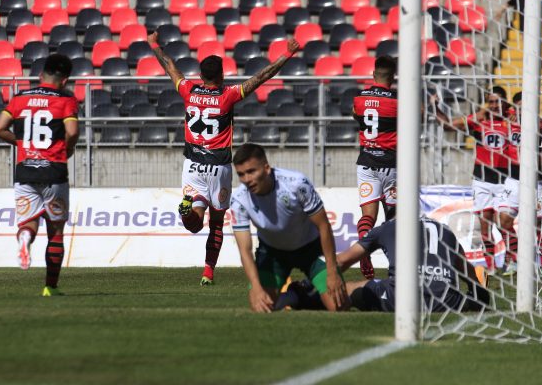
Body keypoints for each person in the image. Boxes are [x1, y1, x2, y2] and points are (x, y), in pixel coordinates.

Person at [148, 32, 300, 286]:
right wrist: (287, 53)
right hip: (218, 167)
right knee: (216, 223)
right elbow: (262, 77)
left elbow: (170, 66)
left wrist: (154, 44)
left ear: (200, 75)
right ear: (220, 76)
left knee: (194, 224)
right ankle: (208, 272)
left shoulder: (188, 90)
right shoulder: (227, 96)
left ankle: (187, 211)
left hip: (192, 166)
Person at [0, 54, 79, 296]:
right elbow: (72, 131)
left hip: (25, 171)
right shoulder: (65, 99)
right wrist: (67, 148)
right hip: (54, 170)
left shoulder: (20, 98)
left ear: (41, 76)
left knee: (28, 223)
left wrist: (21, 143)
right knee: (56, 231)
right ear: (64, 80)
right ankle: (50, 287)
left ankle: (24, 241)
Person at [230, 143, 348, 312]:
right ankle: (294, 295)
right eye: (241, 174)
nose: (247, 179)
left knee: (339, 306)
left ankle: (305, 296)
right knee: (261, 307)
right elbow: (245, 250)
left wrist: (332, 272)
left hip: (312, 250)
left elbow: (323, 226)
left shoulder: (297, 184)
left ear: (266, 168)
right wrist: (256, 287)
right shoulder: (239, 200)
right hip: (272, 254)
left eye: (251, 171)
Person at [431, 86, 511, 273]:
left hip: (506, 181)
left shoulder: (513, 121)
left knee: (504, 223)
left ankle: (510, 260)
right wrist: (436, 107)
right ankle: (490, 266)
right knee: (485, 224)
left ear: (505, 103)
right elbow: (448, 125)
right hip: (482, 179)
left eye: (497, 101)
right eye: (490, 102)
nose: (494, 105)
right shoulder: (479, 121)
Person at [336, 217, 490, 312]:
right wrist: (478, 292)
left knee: (350, 287)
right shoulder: (444, 229)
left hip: (402, 298)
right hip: (446, 301)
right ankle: (470, 303)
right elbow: (465, 269)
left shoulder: (386, 227)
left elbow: (342, 261)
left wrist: (323, 281)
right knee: (470, 300)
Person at [352, 55, 397, 280]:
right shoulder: (397, 100)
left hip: (366, 163)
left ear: (373, 75)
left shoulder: (359, 98)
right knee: (394, 220)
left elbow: (356, 116)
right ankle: (395, 267)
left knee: (368, 216)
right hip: (391, 165)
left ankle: (364, 250)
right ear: (393, 76)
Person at [496, 92, 542, 273]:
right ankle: (515, 259)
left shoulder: (538, 123)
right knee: (503, 220)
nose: (522, 108)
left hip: (535, 179)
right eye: (519, 105)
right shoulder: (508, 120)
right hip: (513, 178)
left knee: (538, 223)